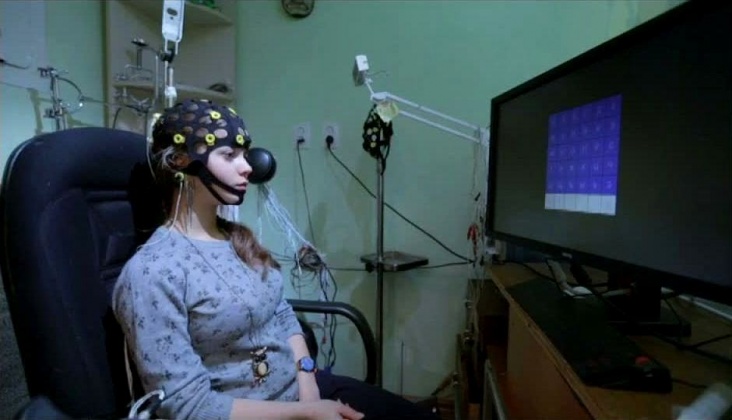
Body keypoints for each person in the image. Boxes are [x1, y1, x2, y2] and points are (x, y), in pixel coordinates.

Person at [112, 98, 440, 420]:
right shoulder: (152, 272)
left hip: (304, 393)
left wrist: (309, 385)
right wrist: (304, 413)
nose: (247, 166)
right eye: (229, 155)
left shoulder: (236, 239)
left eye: (244, 154)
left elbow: (281, 314)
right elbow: (187, 407)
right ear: (180, 161)